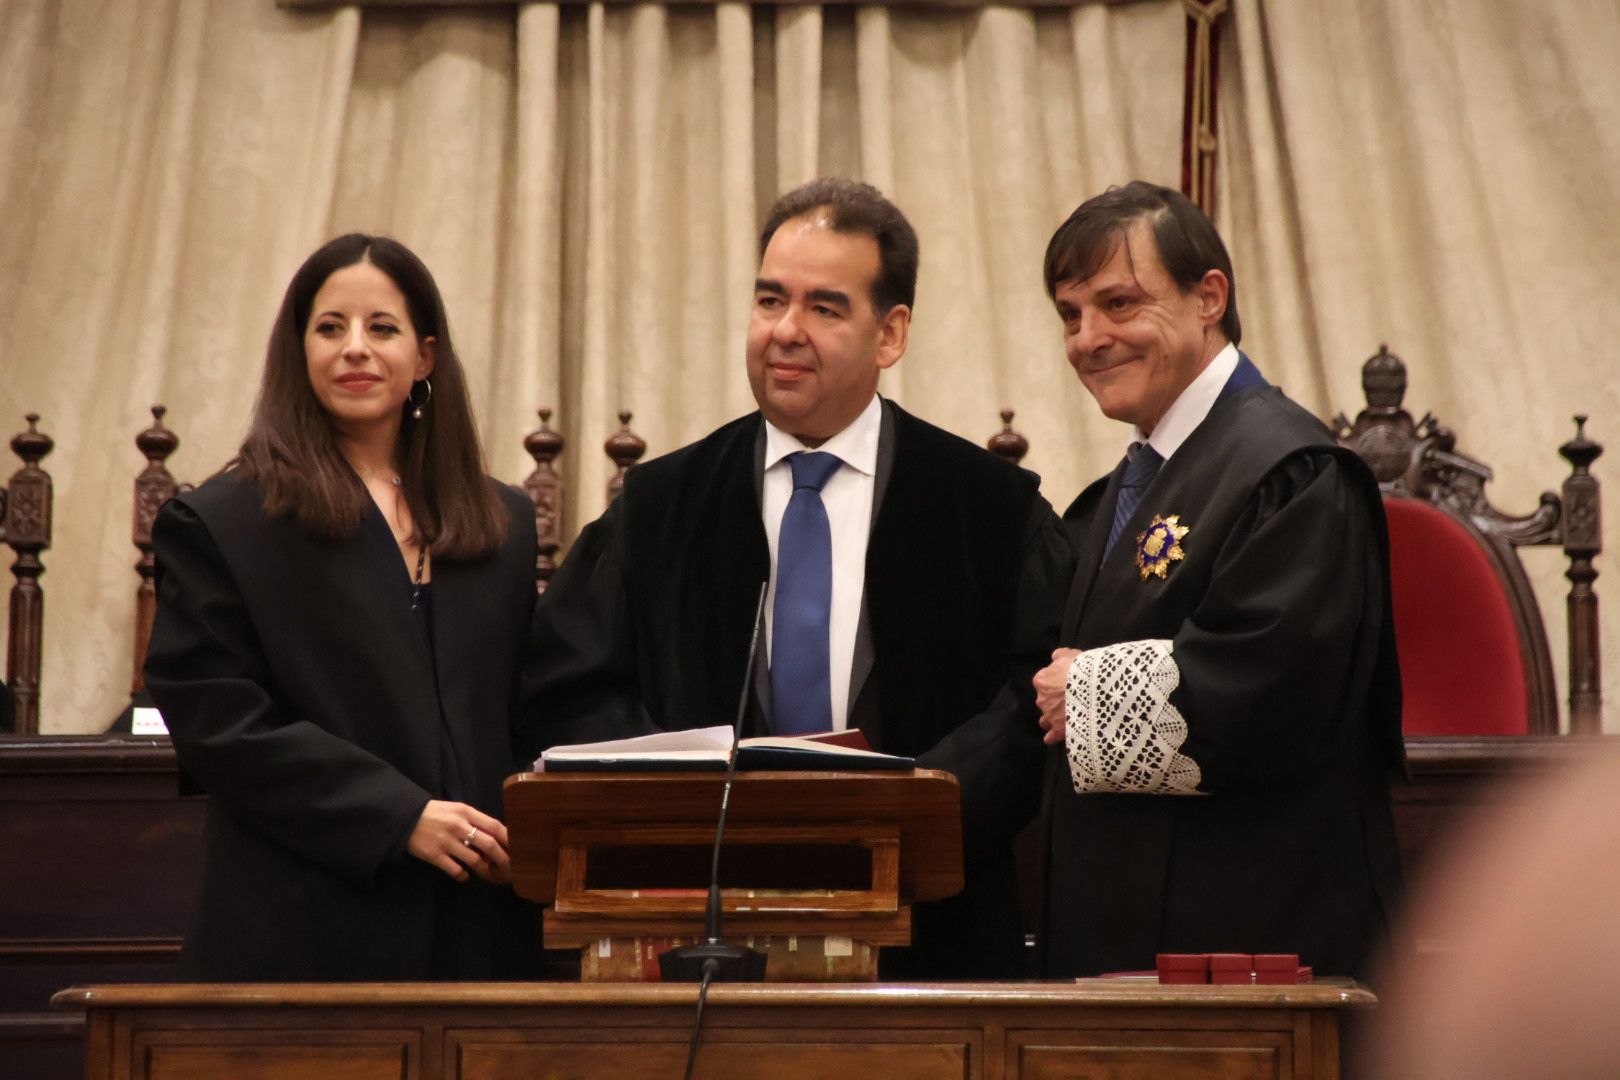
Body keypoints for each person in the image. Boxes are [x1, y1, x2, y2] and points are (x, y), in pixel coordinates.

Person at [523, 178, 1075, 979]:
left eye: (824, 307)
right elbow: (567, 687)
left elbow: (1037, 697)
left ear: (890, 334)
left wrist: (920, 804)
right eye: (769, 300)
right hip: (698, 931)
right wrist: (669, 791)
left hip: (930, 939)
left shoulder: (990, 510)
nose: (785, 331)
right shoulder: (662, 506)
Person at [1031, 181, 1404, 980]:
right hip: (1127, 941)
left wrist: (1085, 691)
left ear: (1209, 298)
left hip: (1252, 950)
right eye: (1071, 314)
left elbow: (1277, 687)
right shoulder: (1120, 491)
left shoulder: (1295, 472)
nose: (1088, 339)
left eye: (1119, 304)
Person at [144, 234, 541, 981]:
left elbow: (527, 709)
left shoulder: (502, 524)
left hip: (481, 930)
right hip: (304, 927)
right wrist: (398, 817)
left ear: (424, 357)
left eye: (381, 328)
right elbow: (218, 724)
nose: (355, 349)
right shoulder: (226, 521)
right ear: (299, 351)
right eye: (331, 328)